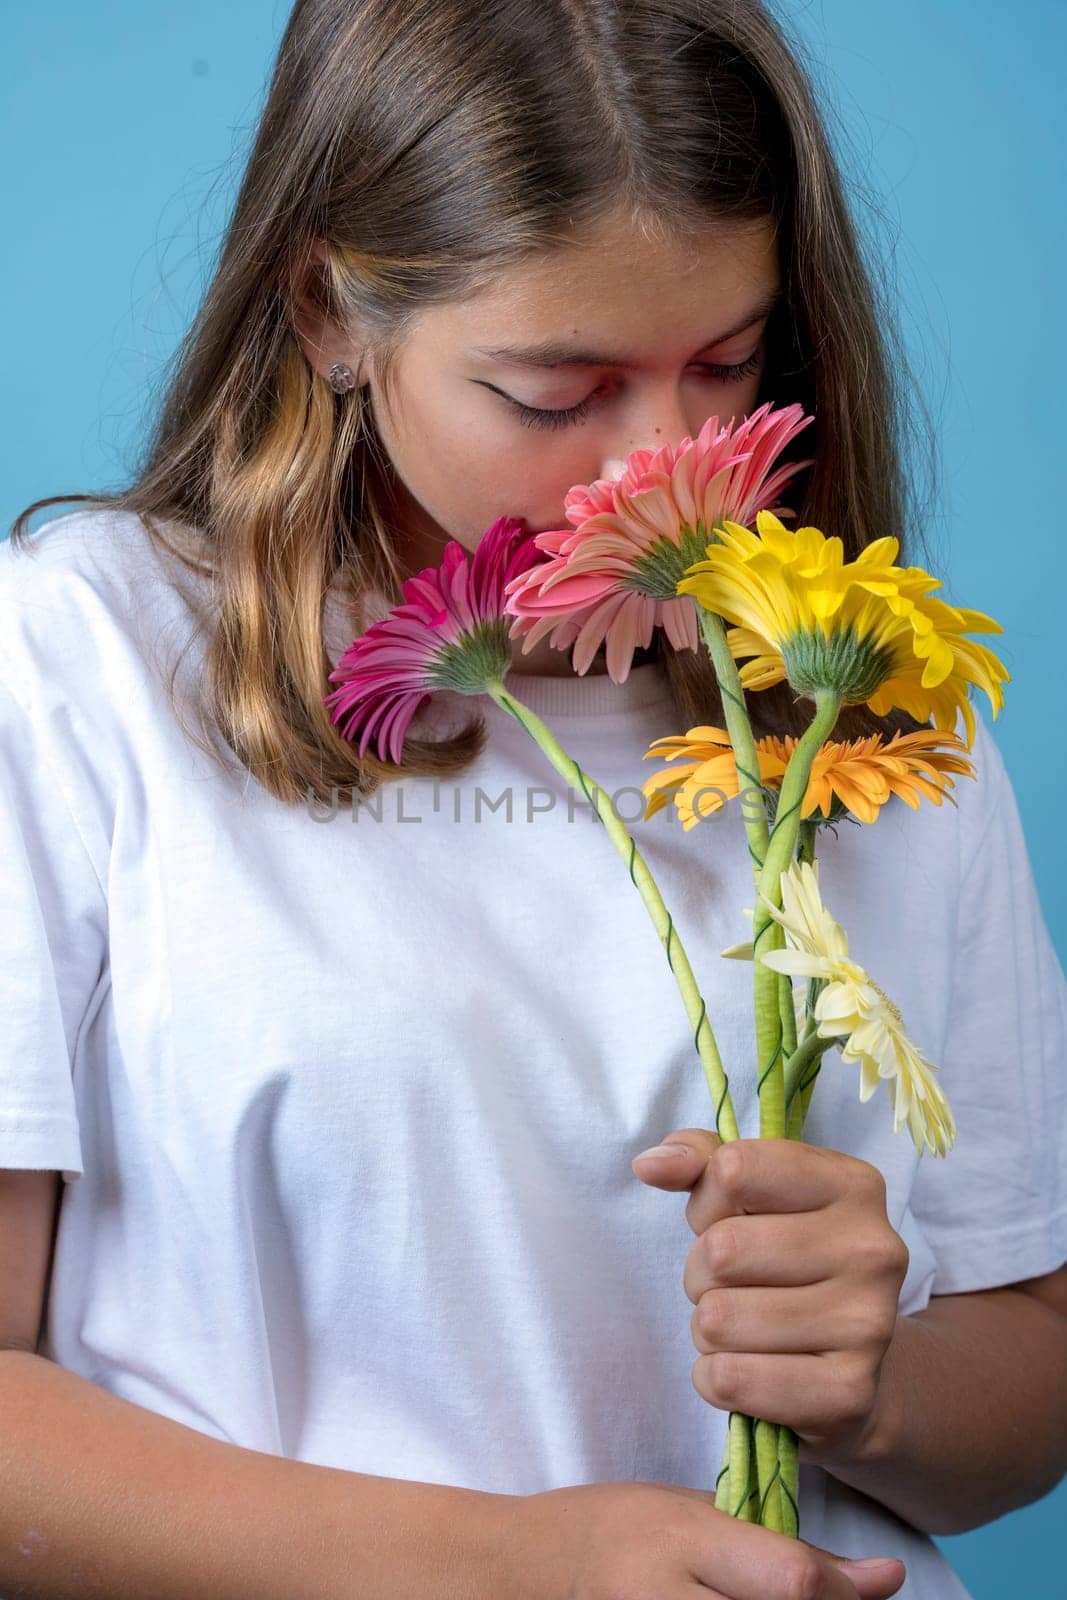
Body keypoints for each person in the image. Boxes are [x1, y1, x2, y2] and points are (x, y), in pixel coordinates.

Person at [1, 2, 1064, 1597]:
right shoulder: (79, 666)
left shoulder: (874, 703)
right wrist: (496, 1567)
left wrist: (877, 1382)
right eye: (560, 392)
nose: (667, 472)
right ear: (325, 313)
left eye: (727, 364)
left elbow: (1028, 1384)